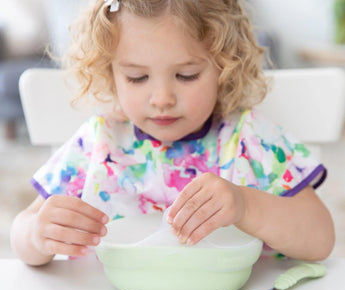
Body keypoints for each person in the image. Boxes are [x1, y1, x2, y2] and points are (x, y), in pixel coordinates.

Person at [11, 0, 334, 266]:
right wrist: (38, 235)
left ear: (224, 66)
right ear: (110, 73)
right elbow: (22, 234)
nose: (162, 98)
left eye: (186, 75)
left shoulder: (251, 138)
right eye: (137, 77)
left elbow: (320, 240)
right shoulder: (99, 141)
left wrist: (246, 205)